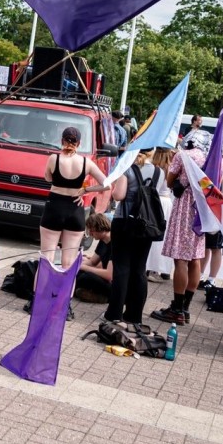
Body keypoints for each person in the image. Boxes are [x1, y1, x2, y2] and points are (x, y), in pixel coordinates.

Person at [151, 137, 223, 325]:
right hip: (204, 214)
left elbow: (169, 182)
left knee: (180, 260)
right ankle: (185, 308)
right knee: (195, 259)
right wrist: (210, 198)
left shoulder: (184, 155)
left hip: (184, 211)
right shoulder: (219, 161)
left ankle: (176, 309)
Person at [40, 127, 118, 270]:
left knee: (47, 258)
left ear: (61, 140)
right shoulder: (86, 162)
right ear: (79, 143)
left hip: (54, 208)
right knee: (69, 263)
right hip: (75, 209)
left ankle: (39, 292)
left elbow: (48, 178)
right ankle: (66, 293)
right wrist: (85, 190)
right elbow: (107, 185)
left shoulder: (53, 159)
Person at [105, 152, 158, 328]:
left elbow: (119, 195)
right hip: (147, 225)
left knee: (122, 268)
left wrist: (115, 184)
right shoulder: (159, 171)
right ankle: (135, 315)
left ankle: (115, 313)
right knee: (139, 269)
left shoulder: (127, 168)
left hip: (125, 222)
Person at [75, 211, 113, 302]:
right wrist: (76, 265)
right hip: (105, 280)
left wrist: (84, 267)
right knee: (79, 273)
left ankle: (105, 297)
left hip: (113, 285)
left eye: (92, 231)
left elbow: (109, 275)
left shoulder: (114, 244)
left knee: (86, 276)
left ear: (100, 228)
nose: (90, 234)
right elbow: (92, 261)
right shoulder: (103, 241)